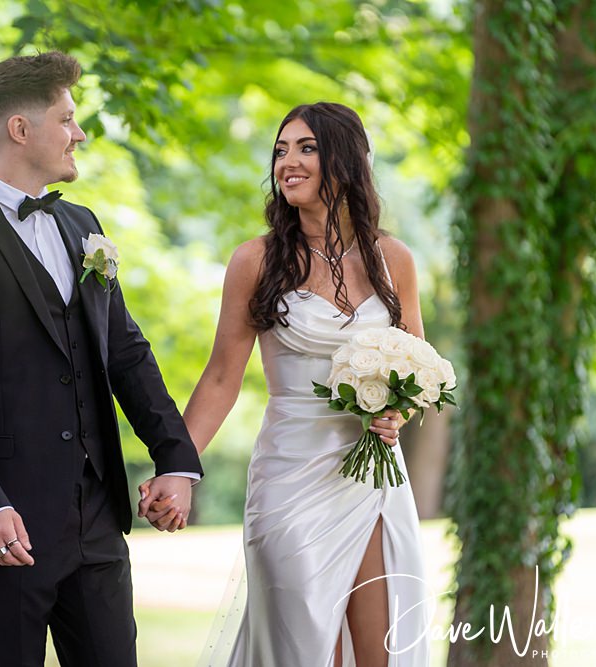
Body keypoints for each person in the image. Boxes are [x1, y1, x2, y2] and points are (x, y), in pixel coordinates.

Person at [0, 51, 202, 667]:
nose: (80, 133)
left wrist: (176, 459)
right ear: (20, 129)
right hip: (2, 526)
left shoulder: (81, 224)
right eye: (67, 118)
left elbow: (125, 351)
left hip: (95, 517)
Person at [142, 102, 430, 666]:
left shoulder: (393, 259)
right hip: (288, 480)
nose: (287, 162)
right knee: (298, 649)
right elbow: (223, 377)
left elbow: (417, 369)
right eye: (280, 150)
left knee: (383, 652)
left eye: (305, 148)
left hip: (373, 480)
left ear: (344, 161)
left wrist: (398, 411)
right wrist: (178, 467)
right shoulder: (255, 261)